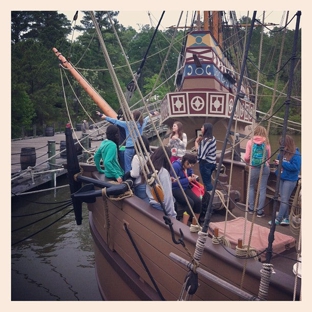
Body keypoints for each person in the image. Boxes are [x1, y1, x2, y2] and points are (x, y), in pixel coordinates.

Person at [269, 135, 301, 226]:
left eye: (284, 145)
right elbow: (279, 162)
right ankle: (286, 218)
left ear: (288, 144)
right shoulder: (281, 153)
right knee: (283, 198)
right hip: (282, 178)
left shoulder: (296, 155)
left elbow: (295, 167)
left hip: (290, 179)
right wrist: (277, 164)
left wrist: (282, 163)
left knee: (283, 199)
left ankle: (278, 219)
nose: (282, 147)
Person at [244, 125, 271, 217]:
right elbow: (268, 158)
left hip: (254, 167)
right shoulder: (266, 143)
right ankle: (260, 211)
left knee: (251, 187)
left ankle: (251, 209)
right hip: (265, 167)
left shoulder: (250, 142)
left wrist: (249, 162)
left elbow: (246, 157)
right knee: (262, 189)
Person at [171, 153, 202, 232]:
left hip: (185, 187)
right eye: (190, 165)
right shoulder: (176, 166)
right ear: (186, 162)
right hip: (175, 189)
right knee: (190, 202)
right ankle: (184, 225)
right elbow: (172, 182)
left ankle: (195, 223)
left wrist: (192, 176)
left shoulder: (188, 167)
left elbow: (190, 172)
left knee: (198, 201)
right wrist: (187, 180)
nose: (190, 167)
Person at [145, 146, 177, 218]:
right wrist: (172, 214)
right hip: (161, 207)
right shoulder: (163, 172)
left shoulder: (149, 168)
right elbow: (167, 197)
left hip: (151, 203)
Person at [128, 135, 151, 203]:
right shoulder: (150, 155)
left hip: (140, 184)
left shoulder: (137, 157)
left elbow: (135, 174)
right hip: (149, 183)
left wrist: (130, 172)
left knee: (143, 204)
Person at [194, 123, 216, 192]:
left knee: (207, 183)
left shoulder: (205, 141)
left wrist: (196, 143)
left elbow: (201, 154)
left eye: (202, 127)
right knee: (209, 181)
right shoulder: (213, 138)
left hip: (205, 164)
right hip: (212, 163)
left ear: (206, 129)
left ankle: (211, 198)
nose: (201, 129)